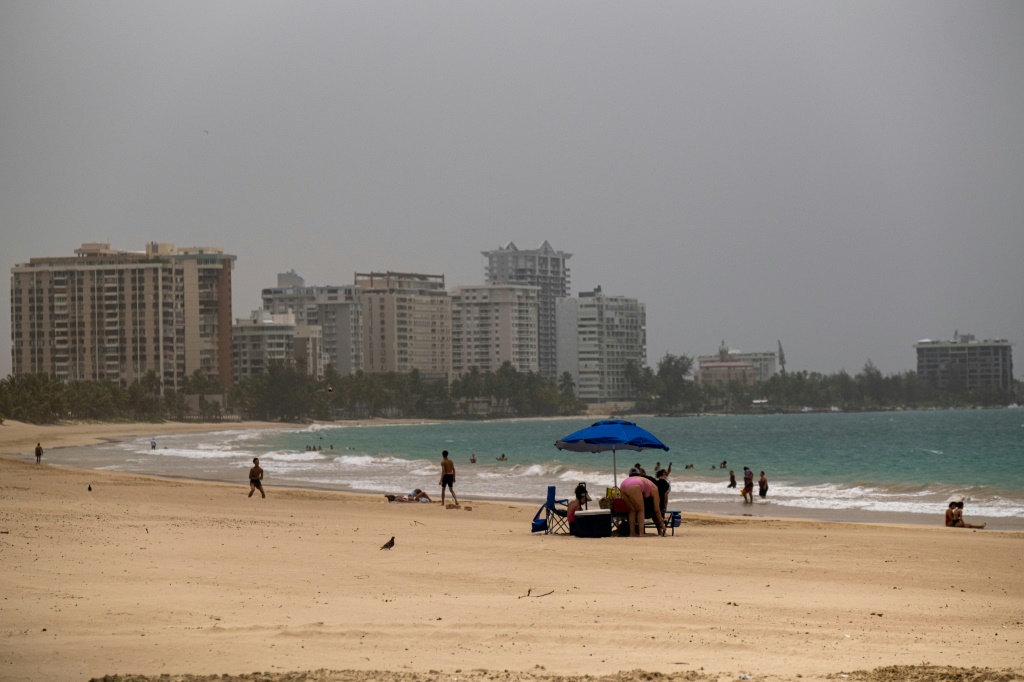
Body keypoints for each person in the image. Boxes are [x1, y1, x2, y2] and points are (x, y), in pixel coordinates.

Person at [619, 467, 666, 537]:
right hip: (635, 485)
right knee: (641, 510)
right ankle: (641, 533)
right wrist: (662, 524)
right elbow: (657, 510)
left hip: (623, 485)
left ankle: (632, 533)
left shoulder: (642, 480)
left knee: (632, 510)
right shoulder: (655, 489)